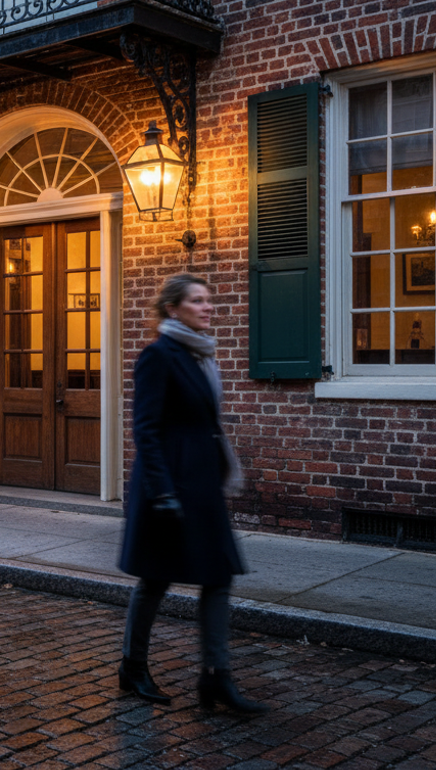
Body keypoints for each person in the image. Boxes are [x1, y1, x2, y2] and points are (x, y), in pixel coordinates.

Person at [117, 273, 267, 715]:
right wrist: (162, 492)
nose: (207, 308)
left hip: (203, 487)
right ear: (172, 308)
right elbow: (146, 430)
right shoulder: (158, 356)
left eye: (208, 300)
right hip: (170, 489)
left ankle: (216, 678)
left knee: (219, 577)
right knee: (156, 579)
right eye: (197, 301)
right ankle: (133, 667)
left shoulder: (201, 355)